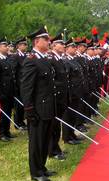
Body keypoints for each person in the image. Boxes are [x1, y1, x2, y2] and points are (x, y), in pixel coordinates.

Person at [21, 26, 56, 181]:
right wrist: (29, 110)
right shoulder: (31, 61)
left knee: (45, 139)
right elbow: (27, 88)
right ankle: (36, 172)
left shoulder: (44, 59)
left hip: (47, 106)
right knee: (36, 141)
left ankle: (42, 167)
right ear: (37, 41)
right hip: (37, 108)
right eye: (46, 39)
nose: (49, 42)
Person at [0, 37, 16, 142]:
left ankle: (6, 131)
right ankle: (0, 133)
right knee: (1, 113)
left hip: (9, 91)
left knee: (8, 112)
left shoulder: (7, 59)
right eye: (5, 46)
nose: (7, 47)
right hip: (2, 93)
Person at [47, 32, 67, 161]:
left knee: (57, 125)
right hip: (54, 97)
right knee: (53, 126)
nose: (63, 45)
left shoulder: (59, 58)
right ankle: (52, 150)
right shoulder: (51, 59)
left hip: (60, 98)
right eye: (61, 43)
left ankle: (56, 147)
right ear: (54, 45)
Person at [9, 37, 28, 130]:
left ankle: (22, 121)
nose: (26, 46)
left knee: (23, 105)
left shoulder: (26, 56)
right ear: (18, 46)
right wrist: (15, 86)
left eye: (26, 44)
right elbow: (13, 72)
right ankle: (18, 123)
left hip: (25, 85)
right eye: (23, 44)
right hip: (18, 85)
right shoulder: (15, 56)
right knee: (18, 106)